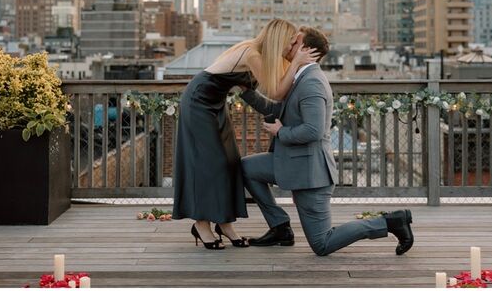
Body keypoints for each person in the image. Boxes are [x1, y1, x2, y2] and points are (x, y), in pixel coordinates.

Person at [240, 26, 414, 256]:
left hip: (310, 173)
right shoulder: (297, 77)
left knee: (322, 244)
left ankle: (391, 222)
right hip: (291, 161)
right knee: (246, 167)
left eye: (294, 42)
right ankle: (280, 226)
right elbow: (277, 108)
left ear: (307, 50)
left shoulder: (311, 82)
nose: (288, 45)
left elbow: (313, 130)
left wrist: (281, 132)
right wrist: (246, 91)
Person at [172, 19, 319, 250]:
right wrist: (297, 63)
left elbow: (277, 92)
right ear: (277, 39)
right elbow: (277, 92)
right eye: (290, 41)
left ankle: (224, 224)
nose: (292, 47)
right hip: (198, 103)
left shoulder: (262, 57)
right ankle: (201, 224)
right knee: (210, 163)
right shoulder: (252, 54)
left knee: (229, 161)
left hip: (216, 104)